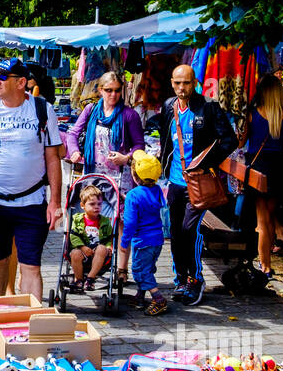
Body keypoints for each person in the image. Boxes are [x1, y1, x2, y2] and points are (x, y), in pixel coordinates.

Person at [0, 58, 63, 301]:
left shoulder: (42, 109)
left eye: (2, 77)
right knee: (0, 259)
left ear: (21, 83)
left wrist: (55, 202)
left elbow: (53, 158)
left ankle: (31, 322)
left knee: (31, 265)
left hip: (31, 202)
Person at [158, 63, 237, 307]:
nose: (182, 88)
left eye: (187, 83)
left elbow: (229, 140)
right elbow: (165, 140)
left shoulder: (208, 108)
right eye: (178, 83)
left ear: (194, 83)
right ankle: (180, 278)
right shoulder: (168, 107)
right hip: (175, 181)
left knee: (189, 230)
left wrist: (206, 163)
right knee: (175, 232)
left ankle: (195, 279)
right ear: (172, 83)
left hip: (198, 183)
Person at [244, 74, 283, 279]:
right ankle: (266, 261)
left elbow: (241, 143)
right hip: (280, 169)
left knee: (263, 221)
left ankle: (265, 265)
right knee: (269, 217)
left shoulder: (253, 113)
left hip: (259, 169)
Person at [67, 71, 145, 198]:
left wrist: (126, 158)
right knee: (94, 213)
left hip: (120, 178)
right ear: (100, 90)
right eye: (109, 90)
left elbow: (139, 145)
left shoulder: (130, 115)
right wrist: (74, 151)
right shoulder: (90, 110)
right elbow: (73, 134)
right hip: (92, 176)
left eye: (117, 90)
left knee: (118, 216)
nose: (113, 94)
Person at [117, 151, 168, 315]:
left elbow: (130, 223)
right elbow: (147, 202)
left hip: (142, 241)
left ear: (135, 175)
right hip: (157, 240)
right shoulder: (158, 190)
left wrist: (124, 242)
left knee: (140, 270)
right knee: (148, 268)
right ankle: (140, 296)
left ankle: (158, 299)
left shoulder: (134, 195)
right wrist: (129, 198)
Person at [68, 185, 113, 291]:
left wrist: (109, 247)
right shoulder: (77, 220)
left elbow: (108, 238)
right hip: (82, 251)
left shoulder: (105, 221)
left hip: (99, 254)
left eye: (99, 204)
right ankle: (79, 280)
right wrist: (82, 247)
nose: (96, 207)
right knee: (75, 253)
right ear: (82, 205)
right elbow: (74, 236)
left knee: (102, 248)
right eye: (92, 204)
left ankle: (90, 278)